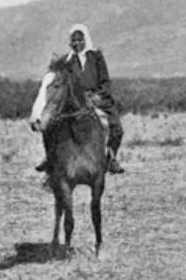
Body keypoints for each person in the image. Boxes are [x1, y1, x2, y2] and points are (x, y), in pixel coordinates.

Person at [35, 24, 125, 174]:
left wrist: (97, 96)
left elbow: (105, 81)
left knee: (116, 128)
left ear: (85, 40)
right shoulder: (67, 60)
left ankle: (111, 158)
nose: (77, 43)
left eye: (79, 40)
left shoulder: (96, 57)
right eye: (73, 40)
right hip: (74, 99)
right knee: (51, 123)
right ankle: (50, 157)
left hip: (98, 98)